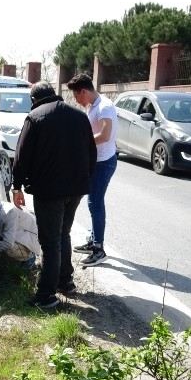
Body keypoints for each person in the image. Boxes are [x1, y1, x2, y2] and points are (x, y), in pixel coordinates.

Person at [11, 81, 95, 309]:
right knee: (63, 233)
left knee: (50, 240)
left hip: (49, 190)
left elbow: (21, 157)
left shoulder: (35, 117)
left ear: (34, 100)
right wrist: (84, 179)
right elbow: (92, 153)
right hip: (76, 188)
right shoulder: (79, 116)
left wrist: (16, 186)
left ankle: (46, 295)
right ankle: (65, 280)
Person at [67, 73, 118, 267]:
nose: (76, 100)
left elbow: (105, 135)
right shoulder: (93, 106)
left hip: (104, 162)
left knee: (95, 202)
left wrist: (81, 143)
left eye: (76, 96)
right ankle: (93, 240)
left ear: (83, 91)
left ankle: (99, 248)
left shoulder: (105, 106)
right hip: (97, 161)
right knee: (92, 202)